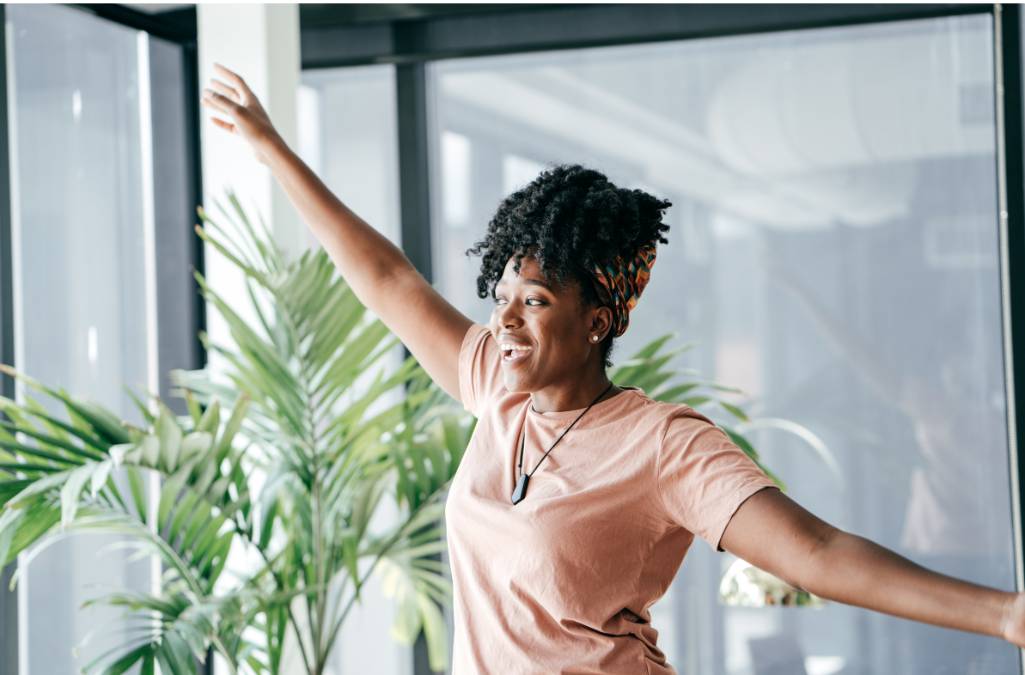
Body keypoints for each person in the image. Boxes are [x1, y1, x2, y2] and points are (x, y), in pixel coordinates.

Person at [200, 63, 1025, 673]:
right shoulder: (497, 387)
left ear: (596, 321)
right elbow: (389, 280)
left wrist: (1003, 614)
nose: (505, 317)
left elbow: (811, 549)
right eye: (501, 294)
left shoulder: (661, 445)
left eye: (535, 300)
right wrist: (273, 150)